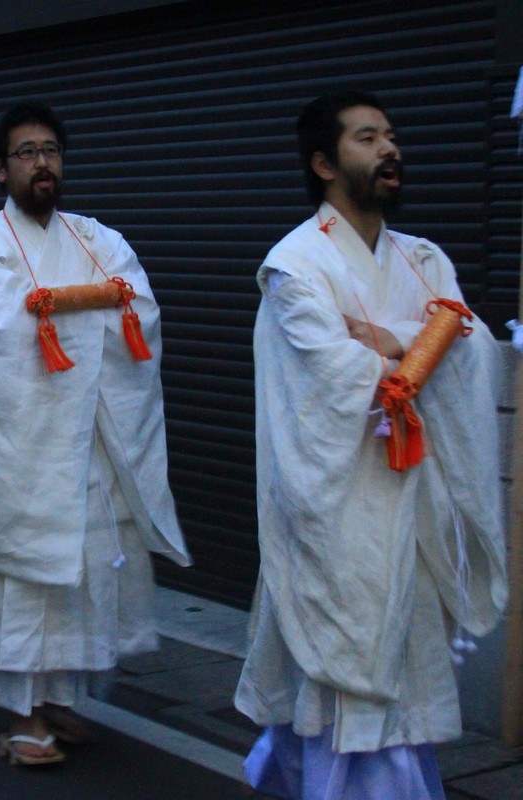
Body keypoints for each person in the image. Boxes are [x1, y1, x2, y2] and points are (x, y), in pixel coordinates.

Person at [234, 91, 507, 799]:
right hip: (337, 502)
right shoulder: (295, 264)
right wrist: (422, 347)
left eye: (390, 136)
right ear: (324, 163)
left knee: (385, 678)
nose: (389, 149)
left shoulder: (423, 259)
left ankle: (290, 768)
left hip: (411, 498)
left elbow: (473, 354)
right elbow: (331, 374)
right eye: (366, 138)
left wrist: (395, 345)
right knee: (347, 663)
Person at [0, 101, 189, 766]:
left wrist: (62, 310)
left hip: (88, 436)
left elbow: (137, 306)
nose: (42, 163)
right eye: (26, 152)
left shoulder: (95, 237)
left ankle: (58, 697)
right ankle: (20, 714)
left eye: (51, 150)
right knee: (24, 573)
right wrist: (83, 306)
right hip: (20, 445)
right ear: (1, 169)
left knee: (85, 569)